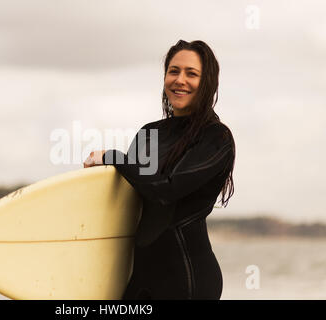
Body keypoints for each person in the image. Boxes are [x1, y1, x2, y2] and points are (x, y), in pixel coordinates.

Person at [83, 40, 235, 300]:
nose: (180, 80)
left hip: (188, 280)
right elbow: (127, 201)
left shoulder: (216, 138)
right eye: (173, 71)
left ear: (207, 81)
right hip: (140, 277)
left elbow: (167, 190)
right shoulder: (150, 134)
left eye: (191, 73)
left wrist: (113, 157)